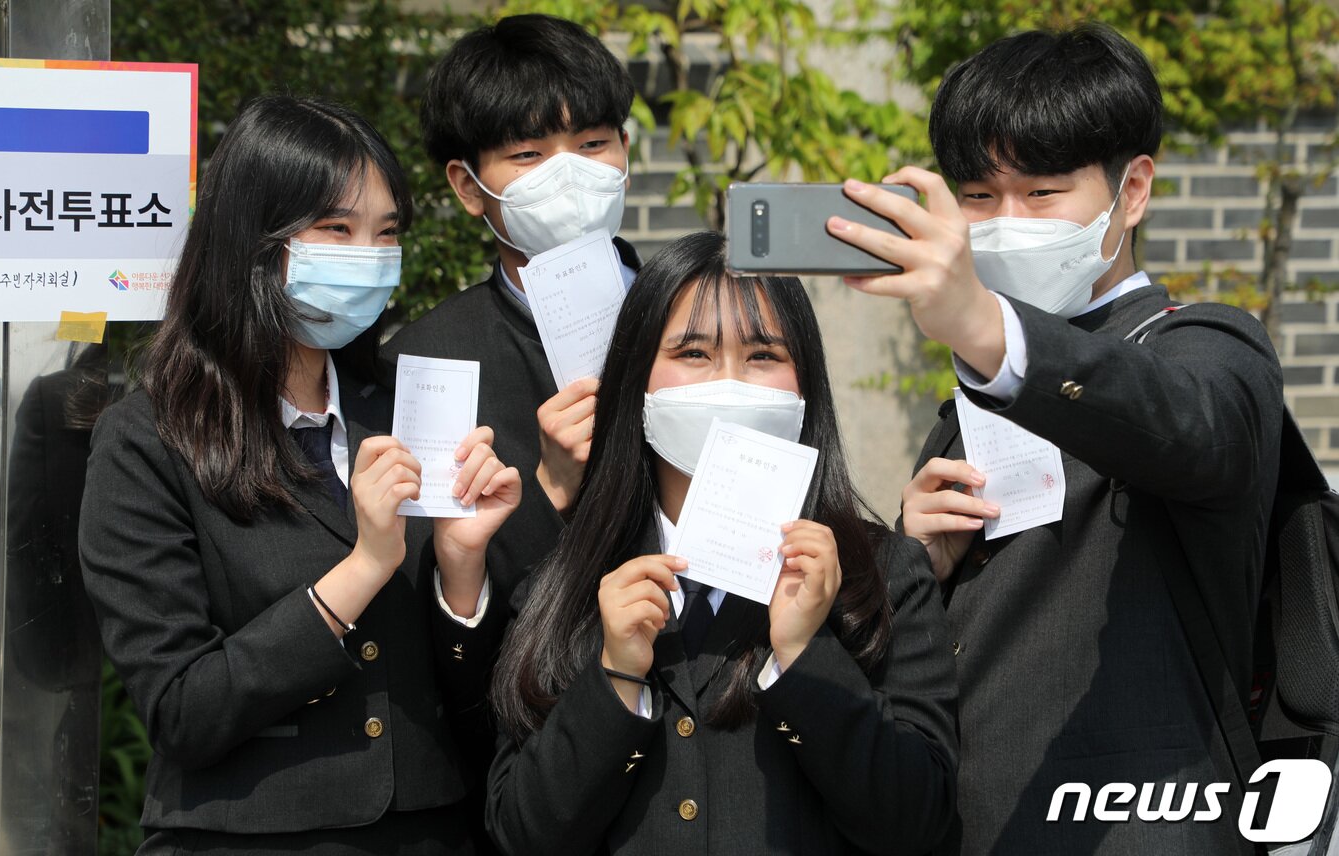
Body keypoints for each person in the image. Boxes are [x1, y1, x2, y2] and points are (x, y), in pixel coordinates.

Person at [828, 24, 1284, 855]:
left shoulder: (1209, 348)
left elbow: (1190, 425)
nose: (1006, 224)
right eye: (978, 197)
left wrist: (991, 330)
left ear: (1132, 190)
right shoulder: (974, 389)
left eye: (1042, 194)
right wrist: (916, 560)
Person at [79, 94, 521, 855]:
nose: (369, 256)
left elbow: (479, 694)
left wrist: (462, 572)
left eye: (386, 234)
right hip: (246, 836)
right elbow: (183, 709)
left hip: (429, 830)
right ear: (253, 241)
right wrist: (363, 567)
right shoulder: (149, 438)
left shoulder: (408, 405)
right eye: (337, 230)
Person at [485, 231, 959, 856]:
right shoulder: (568, 580)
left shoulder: (885, 575)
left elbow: (921, 824)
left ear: (804, 385)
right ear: (638, 382)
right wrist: (616, 676)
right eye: (693, 353)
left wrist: (803, 652)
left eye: (763, 354)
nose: (730, 382)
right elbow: (520, 835)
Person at [385, 13, 639, 595]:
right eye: (528, 154)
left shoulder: (701, 318)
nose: (568, 174)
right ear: (469, 185)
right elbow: (438, 594)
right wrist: (549, 487)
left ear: (625, 151)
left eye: (592, 143)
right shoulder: (426, 363)